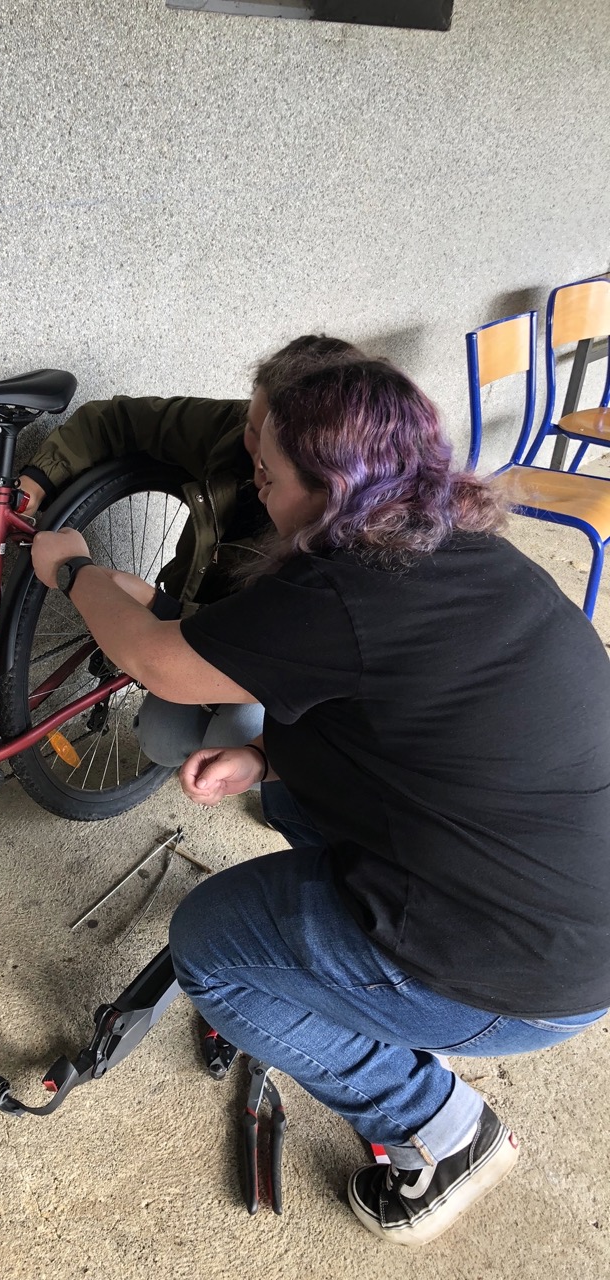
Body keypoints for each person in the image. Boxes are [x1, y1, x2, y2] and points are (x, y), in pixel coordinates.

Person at [30, 357, 610, 1246]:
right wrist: (265, 759)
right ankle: (374, 990)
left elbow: (153, 659)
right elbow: (411, 729)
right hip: (567, 917)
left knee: (212, 950)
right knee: (293, 810)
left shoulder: (344, 592)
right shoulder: (455, 548)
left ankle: (437, 1127)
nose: (254, 477)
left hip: (521, 976)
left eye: (267, 468)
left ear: (330, 483)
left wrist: (74, 569)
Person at [0, 334, 361, 776]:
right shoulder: (234, 434)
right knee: (162, 738)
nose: (258, 467)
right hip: (212, 626)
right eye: (253, 429)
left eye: (274, 461)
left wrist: (77, 573)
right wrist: (39, 478)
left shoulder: (346, 555)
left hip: (274, 654)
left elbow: (163, 662)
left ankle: (286, 777)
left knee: (236, 734)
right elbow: (120, 421)